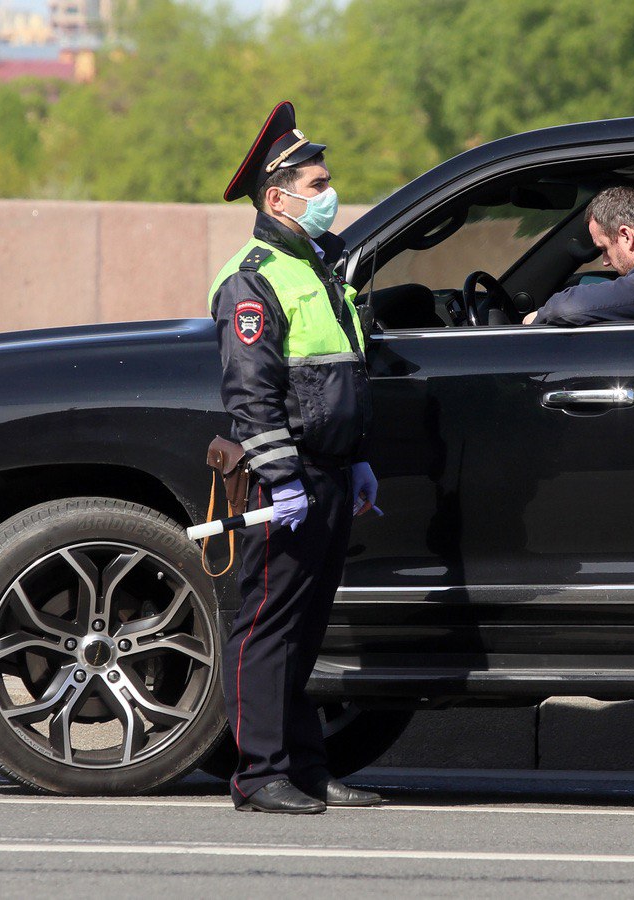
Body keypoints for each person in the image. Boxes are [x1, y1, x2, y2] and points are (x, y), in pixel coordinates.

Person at [209, 101, 382, 815]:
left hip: (332, 473)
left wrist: (359, 459)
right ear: (277, 198)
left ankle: (307, 768)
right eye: (318, 184)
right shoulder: (254, 278)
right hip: (287, 478)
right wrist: (282, 479)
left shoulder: (319, 265)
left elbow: (341, 372)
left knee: (305, 629)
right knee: (266, 628)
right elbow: (253, 396)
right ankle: (259, 775)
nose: (329, 193)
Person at [523, 186, 634, 326]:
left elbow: (566, 308)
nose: (605, 262)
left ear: (626, 236)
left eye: (604, 248)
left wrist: (538, 317)